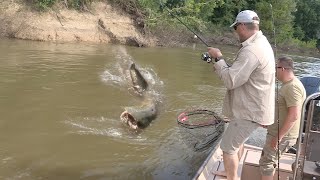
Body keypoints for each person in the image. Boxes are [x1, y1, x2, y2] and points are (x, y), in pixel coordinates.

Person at [207, 10, 275, 180]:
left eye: (236, 27)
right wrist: (222, 66)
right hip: (253, 108)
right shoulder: (262, 42)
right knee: (237, 142)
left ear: (242, 26)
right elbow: (239, 75)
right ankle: (229, 172)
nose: (235, 31)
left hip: (249, 112)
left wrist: (218, 57)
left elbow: (230, 80)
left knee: (228, 148)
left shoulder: (251, 50)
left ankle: (232, 177)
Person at [259, 56, 306, 180]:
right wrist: (269, 123)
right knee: (267, 161)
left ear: (283, 69)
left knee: (267, 163)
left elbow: (294, 115)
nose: (274, 70)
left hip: (282, 135)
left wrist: (279, 137)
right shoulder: (288, 85)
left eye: (276, 67)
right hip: (277, 132)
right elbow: (283, 110)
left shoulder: (292, 87)